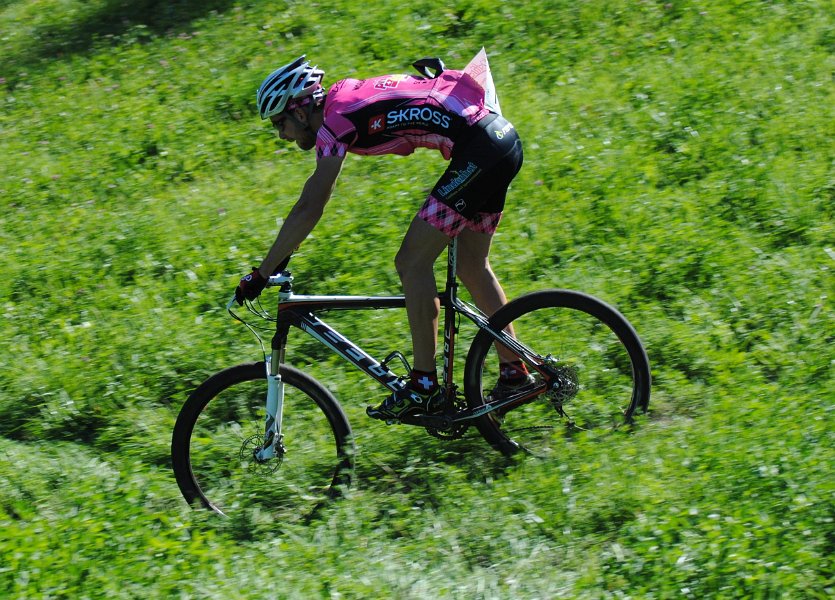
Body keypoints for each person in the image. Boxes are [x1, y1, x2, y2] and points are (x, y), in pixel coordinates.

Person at [236, 52, 533, 421]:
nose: (282, 135)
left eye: (280, 123)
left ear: (299, 111)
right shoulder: (344, 98)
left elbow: (310, 205)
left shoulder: (334, 122)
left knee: (411, 262)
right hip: (499, 141)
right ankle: (514, 373)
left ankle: (424, 385)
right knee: (472, 265)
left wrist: (261, 272)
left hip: (482, 150)